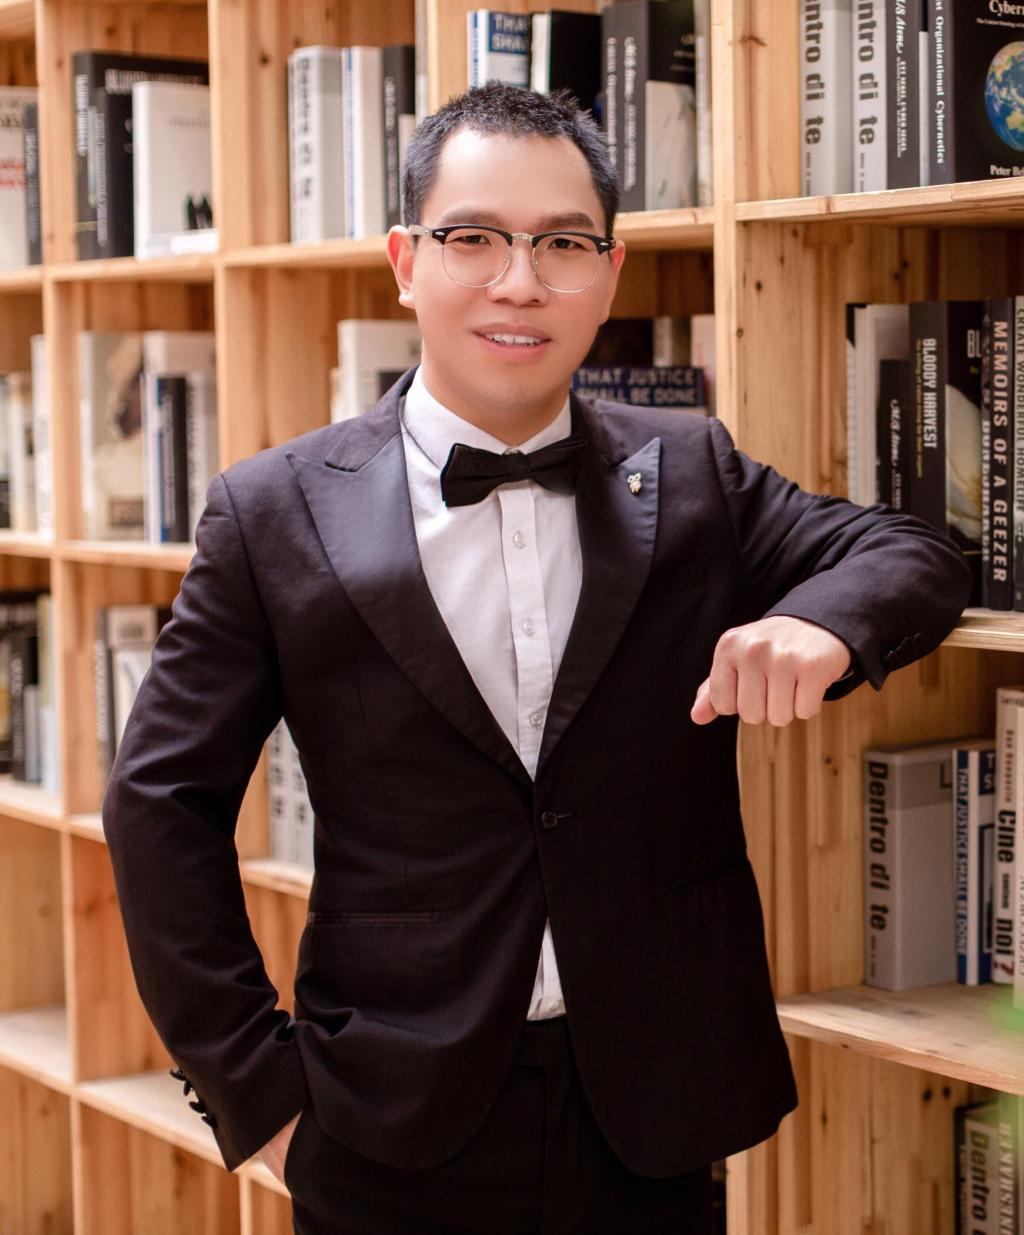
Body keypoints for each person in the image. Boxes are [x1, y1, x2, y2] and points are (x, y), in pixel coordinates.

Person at [101, 83, 973, 1234]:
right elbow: (158, 803)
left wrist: (824, 622)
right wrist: (253, 1092)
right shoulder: (272, 511)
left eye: (562, 243)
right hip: (383, 1119)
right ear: (406, 261)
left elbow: (917, 551)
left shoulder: (691, 470)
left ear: (609, 272)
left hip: (651, 1109)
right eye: (474, 238)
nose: (519, 282)